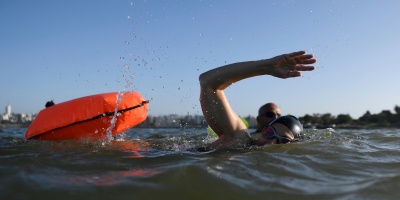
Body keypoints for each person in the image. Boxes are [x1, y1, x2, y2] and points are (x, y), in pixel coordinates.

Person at [199, 50, 316, 148]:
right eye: (269, 133)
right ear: (264, 130)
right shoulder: (240, 140)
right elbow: (207, 82)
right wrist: (267, 67)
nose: (270, 143)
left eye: (284, 141)